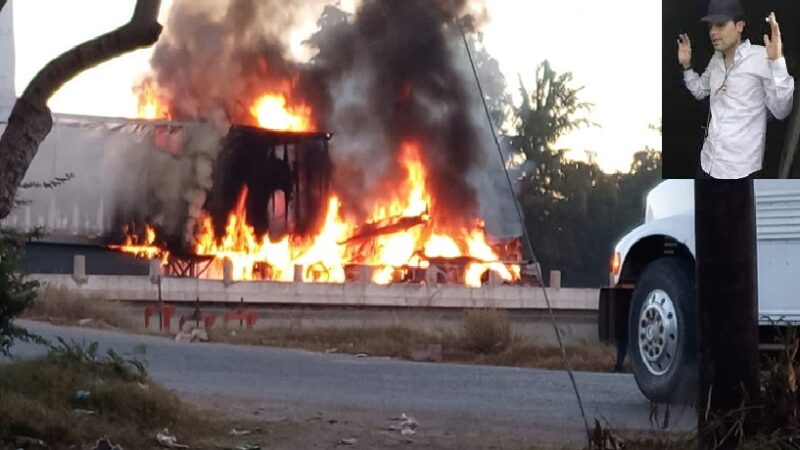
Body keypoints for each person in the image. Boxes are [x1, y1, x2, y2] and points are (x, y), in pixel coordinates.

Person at [677, 0, 794, 179]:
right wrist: (686, 65)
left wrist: (777, 62)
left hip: (741, 172)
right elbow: (700, 90)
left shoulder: (761, 56)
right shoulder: (715, 61)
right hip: (707, 164)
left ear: (740, 26)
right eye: (710, 26)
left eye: (721, 24)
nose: (713, 32)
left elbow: (782, 111)